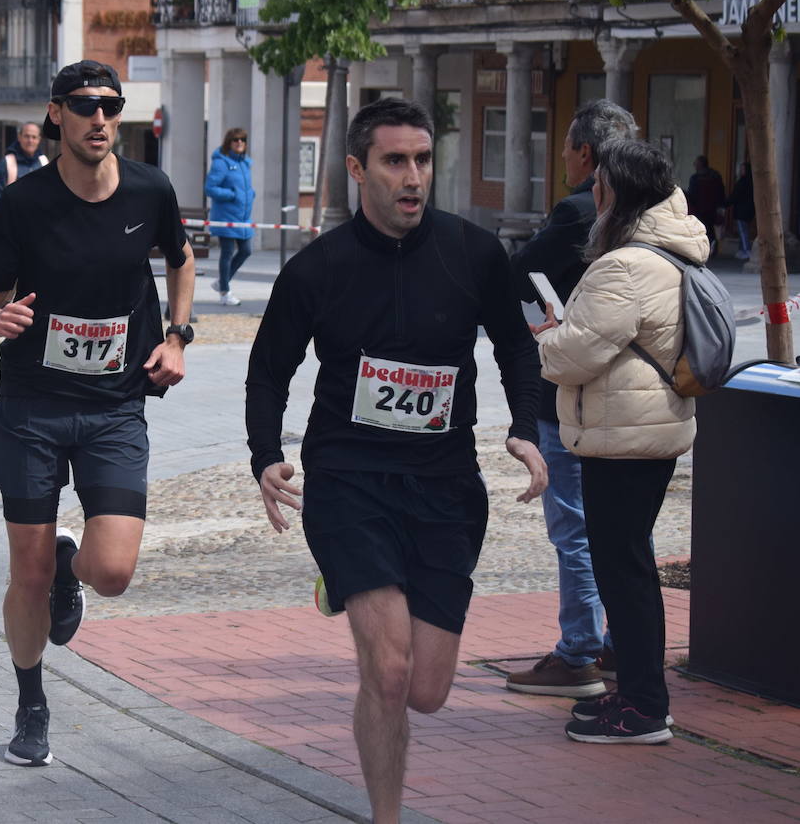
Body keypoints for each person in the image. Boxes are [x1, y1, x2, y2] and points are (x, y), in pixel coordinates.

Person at [246, 97, 546, 824]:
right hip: (350, 481)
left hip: (445, 487)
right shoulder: (318, 268)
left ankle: (349, 587)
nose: (413, 177)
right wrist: (267, 455)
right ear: (357, 169)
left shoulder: (474, 255)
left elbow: (516, 345)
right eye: (394, 161)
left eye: (422, 159)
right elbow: (269, 368)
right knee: (388, 670)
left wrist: (526, 427)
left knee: (428, 690)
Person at [0, 59, 194, 768]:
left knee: (115, 571)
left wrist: (178, 336)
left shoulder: (150, 190)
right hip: (31, 406)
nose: (101, 118)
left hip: (115, 406)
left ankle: (75, 566)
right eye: (86, 105)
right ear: (57, 113)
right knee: (25, 575)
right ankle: (31, 700)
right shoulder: (24, 204)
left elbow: (181, 260)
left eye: (112, 106)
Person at [535, 139, 707, 745]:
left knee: (624, 571)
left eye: (600, 185)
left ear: (618, 192)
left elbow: (573, 356)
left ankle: (642, 706)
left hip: (625, 437)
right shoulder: (672, 250)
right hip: (644, 431)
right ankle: (637, 694)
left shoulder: (625, 264)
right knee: (627, 564)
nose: (593, 193)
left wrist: (547, 337)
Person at [505, 99, 637, 698]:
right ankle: (620, 646)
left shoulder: (577, 210)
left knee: (576, 529)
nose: (560, 155)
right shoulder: (654, 211)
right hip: (638, 400)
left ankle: (578, 651)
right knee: (628, 530)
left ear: (586, 155)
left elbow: (519, 274)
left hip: (573, 394)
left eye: (565, 146)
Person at [204, 128, 255, 306]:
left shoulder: (245, 163)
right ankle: (225, 292)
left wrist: (251, 194)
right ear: (229, 142)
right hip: (226, 217)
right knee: (227, 252)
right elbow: (210, 188)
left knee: (246, 250)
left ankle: (222, 282)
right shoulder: (221, 163)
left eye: (242, 139)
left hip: (242, 218)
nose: (239, 142)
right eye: (235, 140)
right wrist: (231, 194)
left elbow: (246, 189)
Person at [0, 121, 49, 210]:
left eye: (34, 137)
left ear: (39, 139)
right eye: (27, 136)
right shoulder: (6, 164)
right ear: (19, 137)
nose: (30, 141)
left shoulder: (44, 163)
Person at [685, 154, 725, 256]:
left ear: (700, 164)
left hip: (700, 208)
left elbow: (692, 194)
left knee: (702, 229)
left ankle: (705, 248)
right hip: (712, 207)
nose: (694, 165)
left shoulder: (696, 178)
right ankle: (713, 247)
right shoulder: (715, 176)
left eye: (696, 163)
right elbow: (720, 192)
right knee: (711, 228)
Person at [727, 160, 754, 261]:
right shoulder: (751, 181)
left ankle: (746, 250)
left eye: (742, 169)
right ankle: (743, 250)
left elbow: (735, 196)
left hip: (742, 211)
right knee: (743, 230)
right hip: (748, 210)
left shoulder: (743, 182)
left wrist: (725, 204)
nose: (740, 171)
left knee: (743, 231)